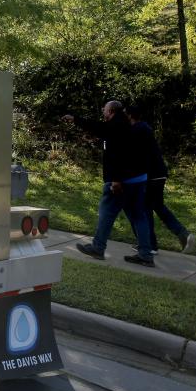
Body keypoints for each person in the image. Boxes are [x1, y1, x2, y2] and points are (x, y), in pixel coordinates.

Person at [62, 100, 155, 267]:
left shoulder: (117, 126)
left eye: (104, 109)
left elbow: (117, 154)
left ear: (111, 111)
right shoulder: (125, 125)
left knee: (107, 212)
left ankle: (98, 247)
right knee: (139, 216)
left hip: (123, 181)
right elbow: (98, 128)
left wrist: (116, 179)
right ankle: (146, 254)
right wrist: (76, 119)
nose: (103, 112)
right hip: (138, 179)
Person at [126, 105, 196, 254]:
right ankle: (183, 234)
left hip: (150, 175)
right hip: (159, 173)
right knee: (158, 206)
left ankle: (150, 245)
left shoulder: (136, 129)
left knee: (144, 208)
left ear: (130, 116)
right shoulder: (144, 128)